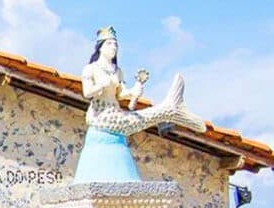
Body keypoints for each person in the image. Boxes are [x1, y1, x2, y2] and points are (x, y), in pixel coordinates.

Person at [75, 26, 207, 182]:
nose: (114, 47)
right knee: (131, 121)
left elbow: (121, 94)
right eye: (110, 44)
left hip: (115, 112)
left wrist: (134, 91)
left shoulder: (117, 71)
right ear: (101, 47)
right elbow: (87, 92)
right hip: (102, 117)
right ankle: (168, 109)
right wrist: (102, 85)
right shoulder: (90, 69)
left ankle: (168, 110)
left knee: (131, 121)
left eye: (116, 44)